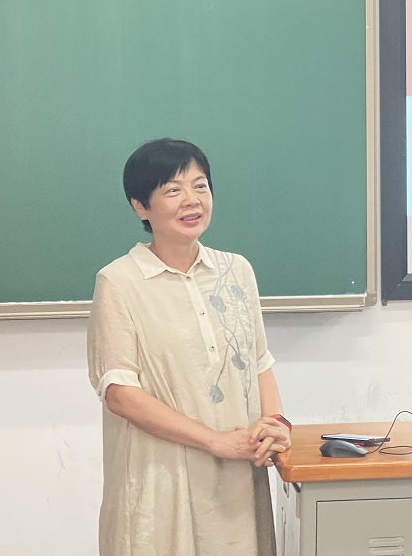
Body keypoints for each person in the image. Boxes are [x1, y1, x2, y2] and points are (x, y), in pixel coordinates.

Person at [87, 138, 291, 556]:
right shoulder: (119, 281)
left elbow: (259, 363)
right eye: (172, 190)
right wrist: (214, 441)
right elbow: (120, 393)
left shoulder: (236, 270)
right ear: (140, 206)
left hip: (237, 473)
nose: (192, 200)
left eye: (200, 186)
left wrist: (274, 425)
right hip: (161, 479)